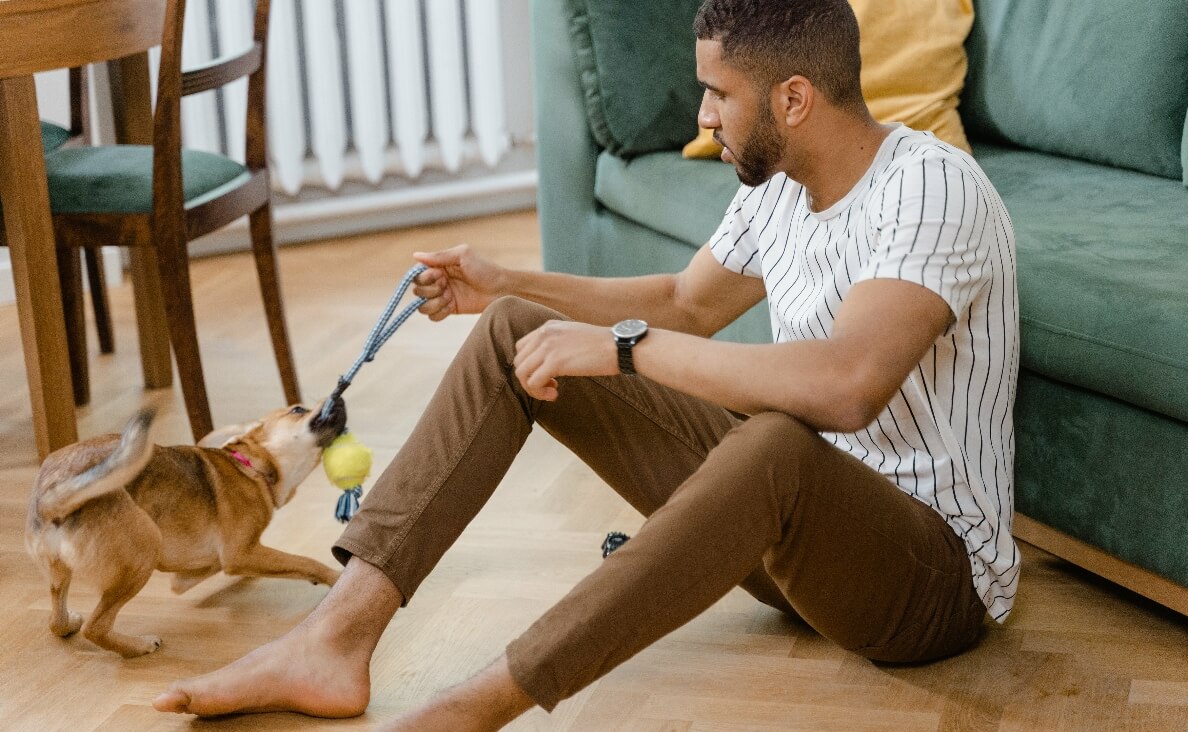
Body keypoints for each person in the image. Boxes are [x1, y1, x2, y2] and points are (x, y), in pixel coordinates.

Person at [153, 0, 1019, 728]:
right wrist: (503, 287)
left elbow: (846, 386)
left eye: (717, 94)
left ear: (794, 97)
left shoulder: (930, 190)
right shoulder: (782, 188)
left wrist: (625, 352)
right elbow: (685, 303)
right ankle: (334, 639)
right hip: (794, 545)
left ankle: (473, 708)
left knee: (776, 445)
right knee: (515, 333)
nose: (703, 118)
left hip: (927, 582)